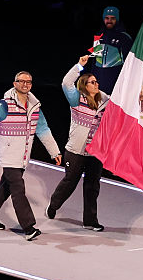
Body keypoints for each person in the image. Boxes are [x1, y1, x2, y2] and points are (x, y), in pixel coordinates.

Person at [0, 71, 62, 241]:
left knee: (6, 186)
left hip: (22, 156)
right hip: (9, 154)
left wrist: (55, 152)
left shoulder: (34, 106)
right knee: (18, 188)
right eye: (21, 81)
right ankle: (28, 227)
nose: (25, 84)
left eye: (29, 82)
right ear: (14, 83)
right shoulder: (5, 104)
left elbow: (43, 129)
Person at [45, 55, 110, 231]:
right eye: (92, 82)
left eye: (96, 82)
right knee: (70, 182)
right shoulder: (76, 99)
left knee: (92, 186)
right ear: (84, 85)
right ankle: (53, 205)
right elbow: (66, 83)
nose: (96, 84)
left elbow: (122, 105)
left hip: (95, 152)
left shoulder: (105, 102)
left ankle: (90, 221)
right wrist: (79, 65)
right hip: (75, 151)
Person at [89, 6, 133, 94]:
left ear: (117, 19)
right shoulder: (99, 35)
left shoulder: (124, 37)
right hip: (99, 75)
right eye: (107, 18)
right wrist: (91, 76)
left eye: (112, 18)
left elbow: (129, 62)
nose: (109, 21)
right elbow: (95, 58)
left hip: (115, 76)